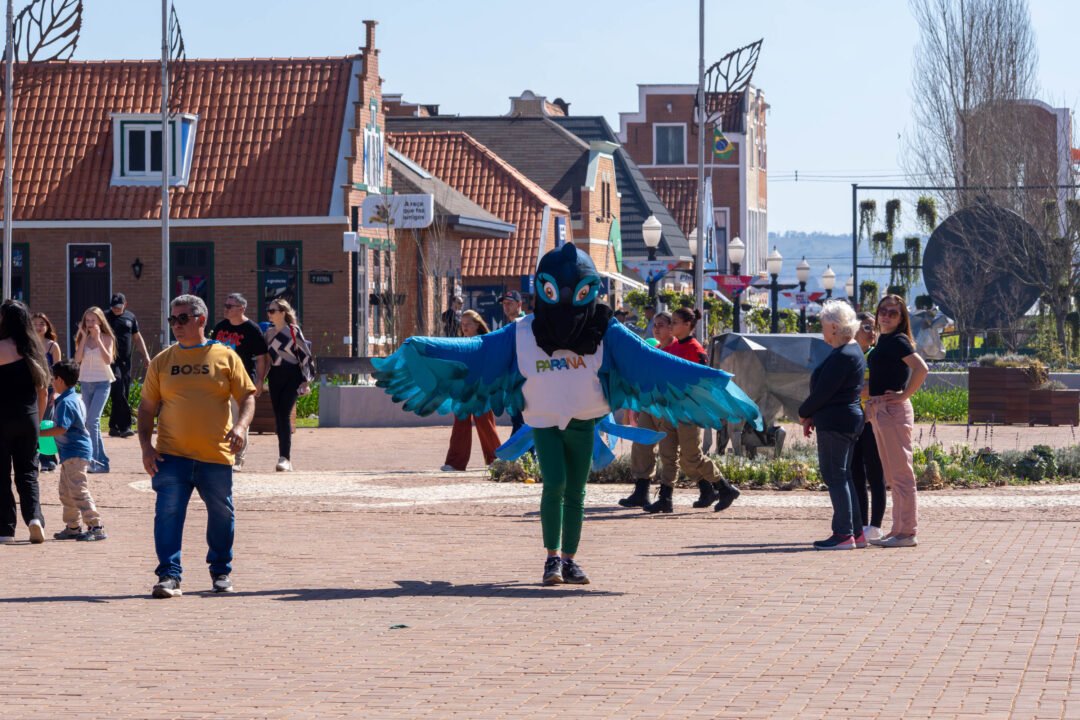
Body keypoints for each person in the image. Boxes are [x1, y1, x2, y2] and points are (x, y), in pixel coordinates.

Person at [372, 243, 762, 586]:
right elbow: (477, 352)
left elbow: (654, 363)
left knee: (575, 490)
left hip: (584, 418)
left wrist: (713, 383)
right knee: (554, 484)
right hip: (543, 420)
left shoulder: (605, 330)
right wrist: (422, 349)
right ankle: (552, 558)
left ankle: (569, 560)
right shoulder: (521, 332)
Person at [138, 294, 256, 598]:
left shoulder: (226, 356)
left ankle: (221, 571)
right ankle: (169, 576)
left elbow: (247, 397)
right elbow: (147, 408)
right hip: (171, 455)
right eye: (172, 320)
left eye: (183, 319)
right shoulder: (162, 361)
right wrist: (146, 447)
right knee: (167, 513)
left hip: (215, 454)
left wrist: (241, 427)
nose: (176, 325)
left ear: (201, 320)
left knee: (222, 514)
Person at [641, 307, 742, 514]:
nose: (671, 326)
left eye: (674, 322)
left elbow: (702, 383)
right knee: (667, 455)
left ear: (687, 325)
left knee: (692, 456)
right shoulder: (671, 348)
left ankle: (724, 487)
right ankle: (665, 499)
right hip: (669, 410)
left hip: (687, 412)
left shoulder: (695, 349)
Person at [798, 300, 866, 550]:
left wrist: (803, 412)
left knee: (835, 475)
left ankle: (843, 534)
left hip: (837, 422)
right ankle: (855, 532)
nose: (822, 330)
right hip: (846, 419)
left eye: (824, 325)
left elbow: (823, 393)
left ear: (835, 327)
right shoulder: (852, 350)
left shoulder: (843, 355)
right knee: (844, 476)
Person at [866, 295, 929, 548]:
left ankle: (907, 532)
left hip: (892, 410)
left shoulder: (899, 340)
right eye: (883, 311)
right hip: (880, 408)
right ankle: (897, 530)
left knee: (902, 474)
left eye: (893, 313)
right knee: (892, 474)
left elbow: (922, 368)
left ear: (902, 318)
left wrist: (904, 395)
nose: (886, 316)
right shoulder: (885, 340)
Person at [0, 299, 49, 544]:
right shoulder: (34, 350)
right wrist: (37, 422)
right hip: (29, 419)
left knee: (1, 475)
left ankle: (6, 529)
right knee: (28, 472)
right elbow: (44, 392)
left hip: (1, 419)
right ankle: (34, 518)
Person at [40, 359, 105, 541]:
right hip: (72, 453)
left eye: (53, 378)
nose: (52, 382)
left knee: (78, 490)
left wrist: (38, 433)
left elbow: (62, 428)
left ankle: (96, 526)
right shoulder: (74, 397)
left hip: (75, 452)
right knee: (66, 492)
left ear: (60, 380)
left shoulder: (66, 403)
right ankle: (73, 526)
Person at [619, 311, 676, 508]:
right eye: (655, 325)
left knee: (669, 451)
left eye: (661, 325)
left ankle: (666, 496)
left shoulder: (677, 349)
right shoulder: (655, 349)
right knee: (641, 445)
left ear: (671, 327)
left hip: (668, 407)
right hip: (649, 405)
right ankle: (641, 491)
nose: (656, 328)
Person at [211, 293, 269, 471]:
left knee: (239, 420)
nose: (226, 309)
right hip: (220, 380)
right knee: (220, 419)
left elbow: (262, 358)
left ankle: (238, 458)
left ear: (242, 308)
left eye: (230, 306)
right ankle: (221, 456)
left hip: (242, 380)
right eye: (225, 305)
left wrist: (259, 381)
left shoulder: (252, 329)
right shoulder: (220, 327)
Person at [441, 310, 502, 472]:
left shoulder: (486, 342)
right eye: (462, 324)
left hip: (481, 388)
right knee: (460, 424)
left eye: (468, 324)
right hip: (464, 389)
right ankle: (455, 463)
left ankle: (496, 460)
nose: (465, 327)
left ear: (477, 324)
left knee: (485, 424)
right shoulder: (461, 343)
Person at [263, 299, 315, 473]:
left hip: (292, 375)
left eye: (272, 310)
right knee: (278, 415)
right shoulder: (268, 333)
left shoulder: (293, 330)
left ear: (282, 312)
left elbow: (306, 356)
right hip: (275, 375)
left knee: (284, 414)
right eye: (268, 310)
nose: (269, 314)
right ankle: (284, 457)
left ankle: (284, 458)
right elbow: (266, 359)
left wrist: (306, 380)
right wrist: (260, 380)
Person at [851, 311, 886, 541]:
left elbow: (876, 387)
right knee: (856, 473)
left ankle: (875, 525)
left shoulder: (877, 356)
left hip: (874, 421)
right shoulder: (850, 354)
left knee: (875, 473)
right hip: (854, 421)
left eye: (874, 327)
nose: (872, 332)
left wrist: (852, 389)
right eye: (866, 327)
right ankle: (861, 524)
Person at [74, 307, 116, 473]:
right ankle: (102, 462)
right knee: (90, 423)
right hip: (86, 382)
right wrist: (84, 338)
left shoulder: (107, 337)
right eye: (87, 320)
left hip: (102, 382)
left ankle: (95, 462)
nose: (90, 323)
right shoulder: (82, 337)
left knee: (93, 421)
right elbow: (77, 359)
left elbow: (108, 360)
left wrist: (98, 339)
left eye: (93, 320)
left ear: (100, 321)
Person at [106, 293, 152, 438]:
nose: (116, 309)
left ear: (125, 304)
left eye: (119, 307)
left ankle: (114, 426)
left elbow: (137, 338)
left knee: (123, 391)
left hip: (126, 361)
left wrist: (146, 356)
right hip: (110, 360)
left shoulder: (130, 317)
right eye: (113, 306)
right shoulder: (105, 317)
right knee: (119, 388)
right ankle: (125, 426)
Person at [31, 312, 61, 472]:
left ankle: (48, 459)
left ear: (48, 326)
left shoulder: (52, 346)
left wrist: (56, 392)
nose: (38, 327)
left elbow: (59, 371)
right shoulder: (27, 344)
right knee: (32, 423)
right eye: (35, 323)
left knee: (45, 423)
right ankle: (33, 457)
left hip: (48, 389)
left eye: (42, 324)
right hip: (30, 389)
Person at [499, 290, 527, 436]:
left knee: (522, 422)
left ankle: (517, 448)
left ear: (519, 304)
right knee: (518, 421)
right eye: (504, 304)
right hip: (512, 382)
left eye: (510, 303)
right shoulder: (508, 327)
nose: (506, 306)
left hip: (525, 382)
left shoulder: (527, 324)